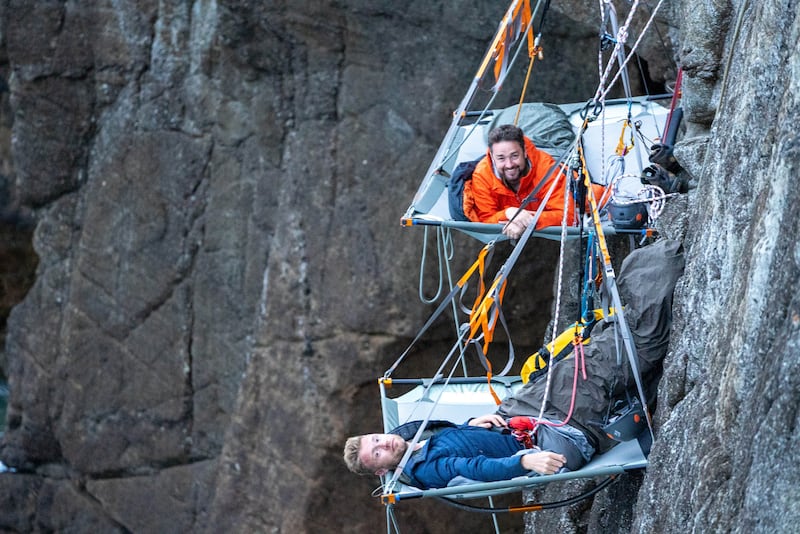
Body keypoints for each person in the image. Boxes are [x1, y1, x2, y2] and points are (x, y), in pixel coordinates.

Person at [344, 239, 685, 489]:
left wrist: (475, 423)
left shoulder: (417, 439)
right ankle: (659, 271)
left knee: (581, 356)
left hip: (522, 416)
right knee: (600, 361)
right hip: (547, 440)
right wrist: (524, 461)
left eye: (376, 438)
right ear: (380, 471)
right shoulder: (425, 470)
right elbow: (472, 466)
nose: (382, 443)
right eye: (376, 453)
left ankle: (644, 283)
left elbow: (468, 444)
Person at [463, 124, 604, 239]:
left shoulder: (546, 168)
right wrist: (508, 213)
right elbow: (484, 220)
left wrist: (526, 221)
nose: (509, 164)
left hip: (574, 204)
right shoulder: (482, 176)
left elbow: (568, 216)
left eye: (514, 156)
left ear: (524, 152)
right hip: (520, 218)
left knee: (601, 199)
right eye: (501, 158)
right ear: (492, 157)